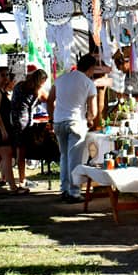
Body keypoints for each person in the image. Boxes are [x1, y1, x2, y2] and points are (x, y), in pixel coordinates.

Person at [47, 54, 98, 203]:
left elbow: (50, 100)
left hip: (59, 121)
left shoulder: (61, 79)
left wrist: (51, 118)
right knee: (75, 159)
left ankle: (64, 189)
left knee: (64, 157)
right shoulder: (88, 83)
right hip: (76, 122)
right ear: (91, 68)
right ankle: (74, 192)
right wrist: (89, 120)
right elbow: (93, 112)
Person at [0, 66, 24, 194]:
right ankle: (13, 187)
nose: (5, 77)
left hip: (1, 127)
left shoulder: (2, 91)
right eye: (2, 75)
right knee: (6, 155)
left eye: (7, 75)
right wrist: (2, 129)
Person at [10, 68, 49, 191]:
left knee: (14, 151)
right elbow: (50, 100)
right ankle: (22, 180)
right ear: (41, 80)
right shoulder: (37, 90)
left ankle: (9, 177)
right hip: (25, 123)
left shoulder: (20, 85)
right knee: (22, 152)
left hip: (13, 120)